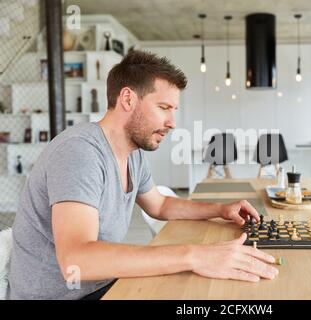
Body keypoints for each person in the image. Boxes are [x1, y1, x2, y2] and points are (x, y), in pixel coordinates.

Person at [8, 50, 278, 300]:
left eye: (174, 110)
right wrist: (194, 255)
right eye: (163, 108)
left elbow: (160, 204)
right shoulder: (79, 152)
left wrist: (220, 210)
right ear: (127, 99)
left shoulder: (132, 153)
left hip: (102, 285)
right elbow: (76, 261)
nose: (172, 122)